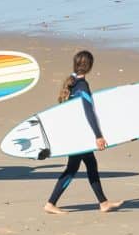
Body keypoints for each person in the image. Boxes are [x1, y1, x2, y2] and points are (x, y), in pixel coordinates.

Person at [44, 50, 119, 214]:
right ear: (89, 67)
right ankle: (51, 203)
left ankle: (103, 202)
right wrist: (98, 136)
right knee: (72, 169)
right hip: (78, 136)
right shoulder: (82, 86)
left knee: (89, 164)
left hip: (74, 133)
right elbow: (89, 112)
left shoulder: (71, 84)